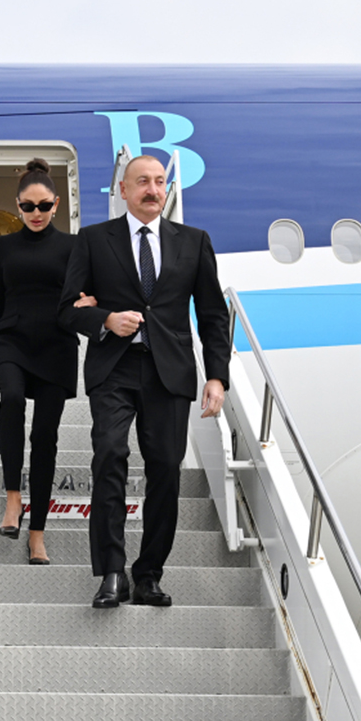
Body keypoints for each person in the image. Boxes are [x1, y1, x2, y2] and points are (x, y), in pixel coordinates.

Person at [58, 155, 230, 608]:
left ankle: (148, 574)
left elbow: (213, 314)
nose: (153, 190)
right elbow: (66, 310)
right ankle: (112, 573)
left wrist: (217, 376)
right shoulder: (94, 240)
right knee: (109, 456)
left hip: (168, 372)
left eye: (159, 182)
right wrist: (105, 319)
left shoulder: (193, 242)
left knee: (166, 471)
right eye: (142, 182)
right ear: (123, 189)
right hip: (114, 368)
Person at [0, 159, 94, 564]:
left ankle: (37, 533)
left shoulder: (75, 247)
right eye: (28, 206)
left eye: (44, 206)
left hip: (57, 346)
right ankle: (13, 499)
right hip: (10, 338)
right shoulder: (4, 247)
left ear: (56, 205)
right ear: (18, 206)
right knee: (11, 400)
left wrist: (91, 303)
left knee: (45, 437)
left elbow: (88, 294)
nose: (36, 213)